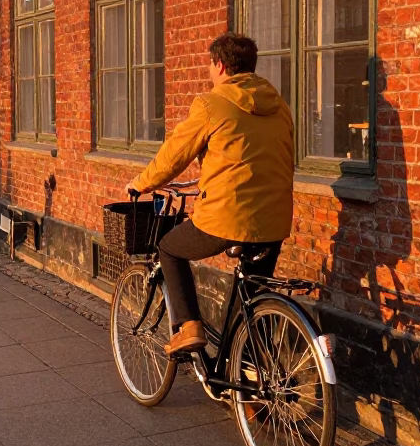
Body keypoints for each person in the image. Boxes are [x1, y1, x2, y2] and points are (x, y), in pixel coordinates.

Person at [126, 33, 295, 356]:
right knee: (252, 301)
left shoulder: (211, 104)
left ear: (219, 65)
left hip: (228, 217)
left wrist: (141, 183)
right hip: (274, 221)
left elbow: (173, 157)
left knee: (170, 249)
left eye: (209, 64)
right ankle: (249, 386)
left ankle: (189, 327)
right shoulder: (280, 107)